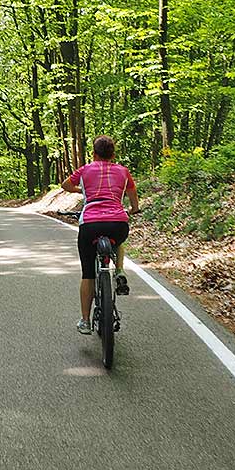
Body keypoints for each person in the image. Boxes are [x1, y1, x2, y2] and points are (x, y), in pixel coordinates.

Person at [60, 135, 139, 335]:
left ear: (94, 154)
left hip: (91, 224)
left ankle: (85, 321)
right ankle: (119, 270)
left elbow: (65, 185)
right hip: (117, 224)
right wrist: (134, 209)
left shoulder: (86, 170)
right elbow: (132, 194)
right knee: (118, 241)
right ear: (113, 154)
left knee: (88, 273)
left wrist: (83, 191)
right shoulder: (123, 171)